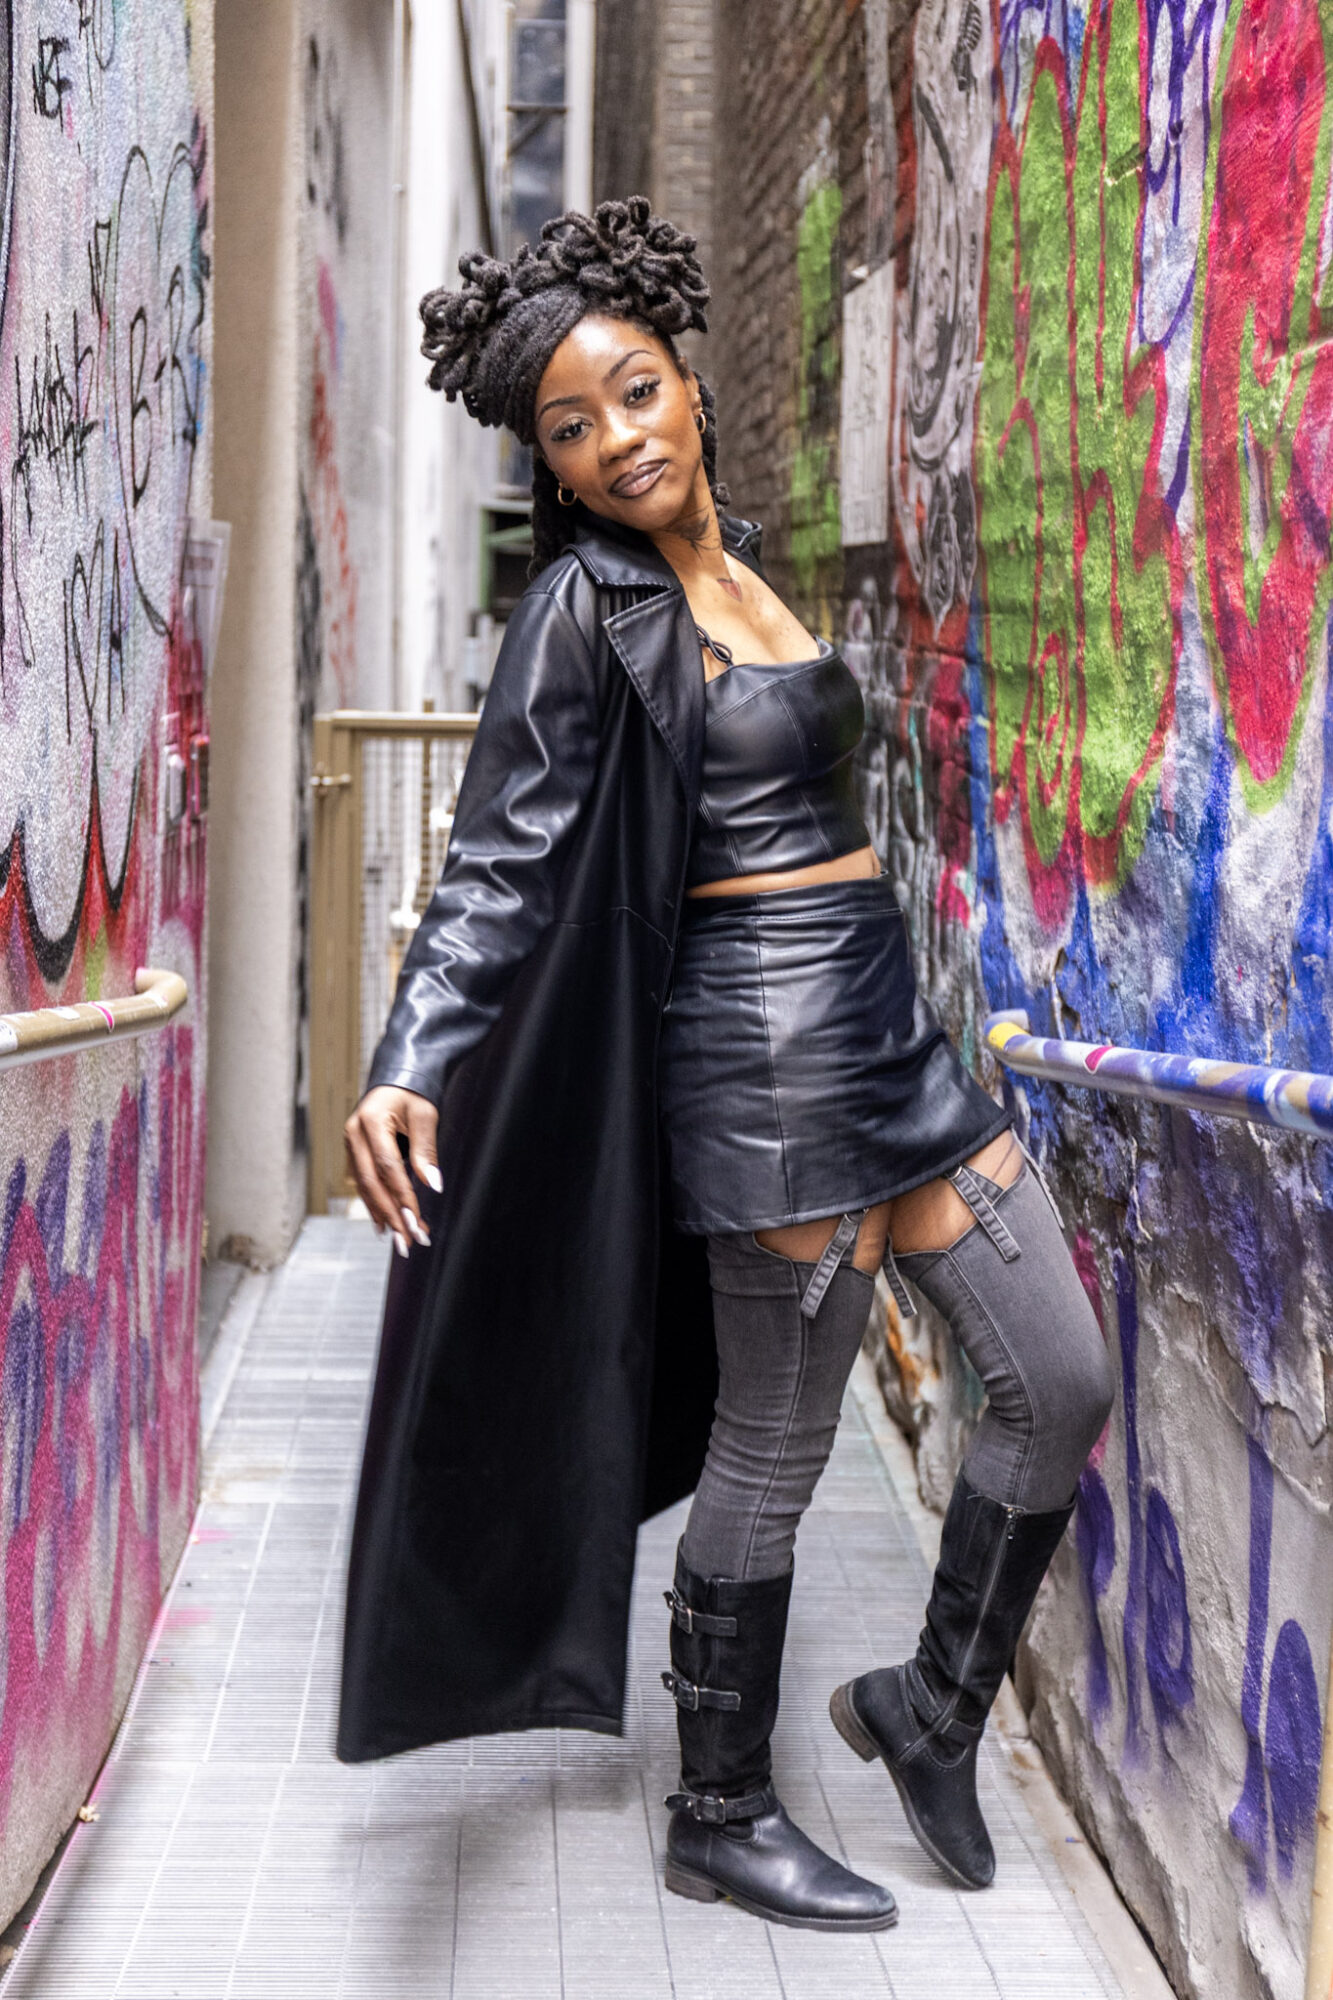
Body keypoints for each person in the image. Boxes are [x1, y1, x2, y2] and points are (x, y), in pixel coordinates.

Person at [337, 197, 1115, 1932]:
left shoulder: (747, 560)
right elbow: (497, 860)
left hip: (886, 1036)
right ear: (547, 461)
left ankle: (925, 1710)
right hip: (757, 1069)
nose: (614, 441)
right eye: (568, 427)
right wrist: (412, 1056)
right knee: (773, 1445)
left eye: (631, 395)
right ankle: (716, 1807)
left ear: (685, 381)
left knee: (1053, 1379)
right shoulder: (582, 612)